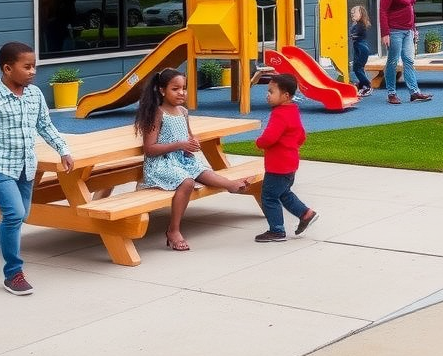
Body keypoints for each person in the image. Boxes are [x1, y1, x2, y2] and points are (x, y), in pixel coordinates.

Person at [0, 41, 75, 296]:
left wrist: (63, 149)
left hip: (25, 168)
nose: (33, 71)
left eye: (34, 66)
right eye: (27, 66)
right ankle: (13, 274)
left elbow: (45, 126)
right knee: (13, 216)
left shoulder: (34, 95)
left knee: (20, 216)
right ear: (8, 69)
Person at [135, 68, 250, 251]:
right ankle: (173, 230)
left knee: (201, 169)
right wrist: (180, 145)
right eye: (175, 88)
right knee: (187, 181)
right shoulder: (157, 113)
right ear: (162, 90)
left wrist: (192, 143)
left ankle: (231, 185)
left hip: (181, 160)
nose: (181, 92)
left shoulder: (183, 111)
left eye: (184, 88)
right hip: (160, 164)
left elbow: (189, 136)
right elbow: (150, 149)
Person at [254, 73, 318, 242]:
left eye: (271, 92)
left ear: (286, 95)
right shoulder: (293, 111)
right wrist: (291, 146)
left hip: (278, 165)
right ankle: (305, 213)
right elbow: (301, 135)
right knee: (283, 193)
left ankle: (277, 230)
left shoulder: (279, 114)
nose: (268, 95)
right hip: (290, 163)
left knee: (268, 196)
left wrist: (260, 143)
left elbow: (270, 137)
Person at [379, 0, 433, 105]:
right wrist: (385, 33)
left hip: (408, 31)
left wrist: (414, 29)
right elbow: (383, 11)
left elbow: (410, 9)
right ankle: (391, 93)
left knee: (409, 61)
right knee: (393, 61)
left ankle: (414, 92)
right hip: (394, 31)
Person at [349, 5, 373, 97]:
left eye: (355, 12)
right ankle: (362, 84)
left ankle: (367, 85)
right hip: (358, 47)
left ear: (361, 14)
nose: (352, 14)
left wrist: (350, 36)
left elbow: (355, 35)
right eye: (351, 13)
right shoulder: (356, 24)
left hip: (361, 48)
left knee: (357, 68)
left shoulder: (361, 25)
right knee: (358, 67)